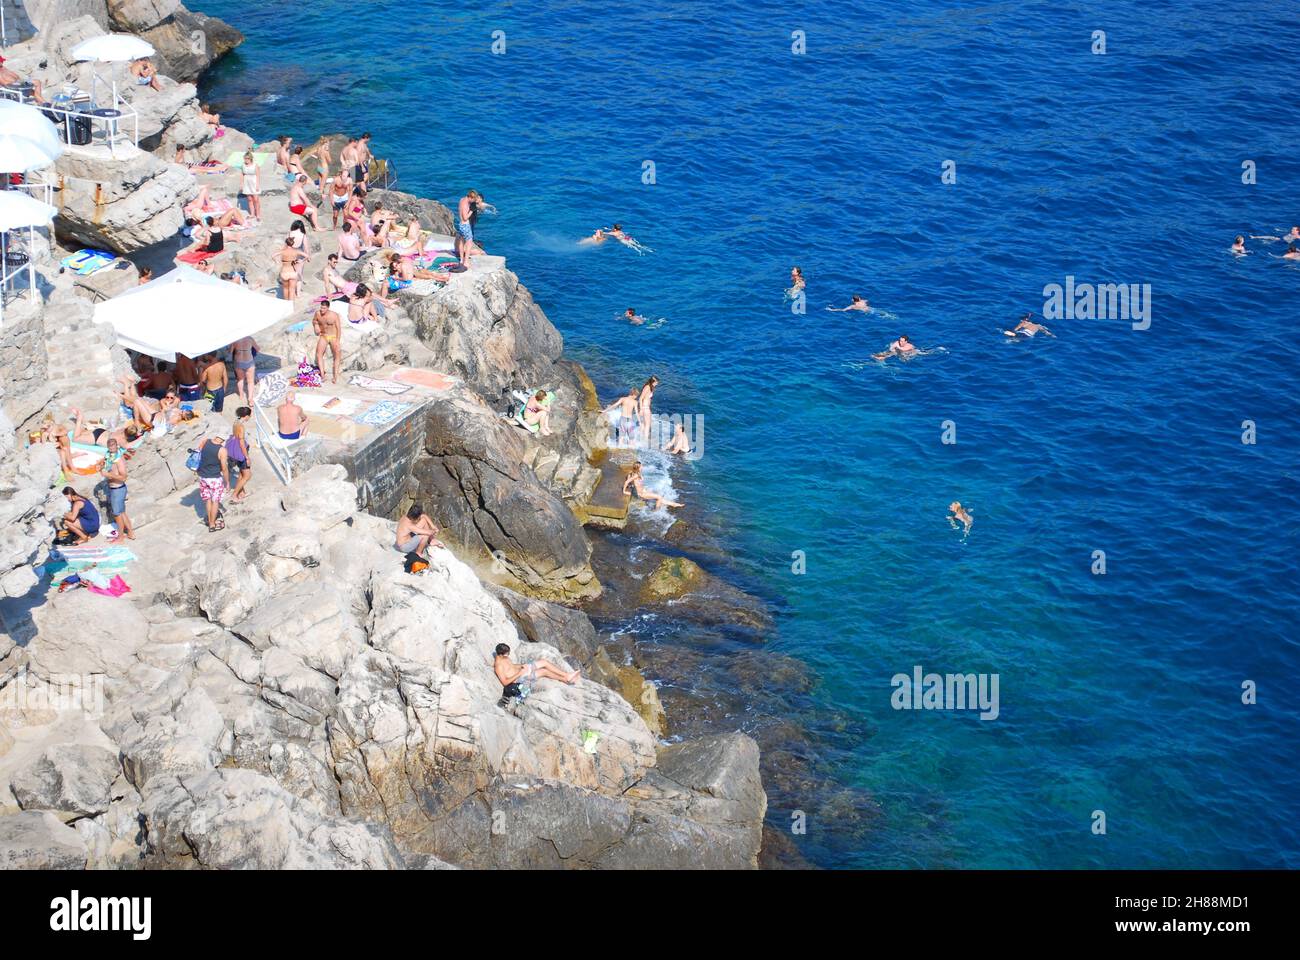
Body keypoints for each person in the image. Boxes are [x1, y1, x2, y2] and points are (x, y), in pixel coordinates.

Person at [493, 642, 580, 691]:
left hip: (522, 671)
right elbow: (504, 682)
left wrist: (521, 666)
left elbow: (511, 666)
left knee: (544, 662)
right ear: (500, 655)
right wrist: (520, 673)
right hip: (519, 679)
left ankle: (567, 675)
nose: (508, 655)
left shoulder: (505, 658)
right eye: (506, 654)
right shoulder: (498, 666)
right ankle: (565, 679)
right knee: (544, 671)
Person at [101, 438, 135, 540]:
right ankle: (130, 533)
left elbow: (124, 477)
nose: (111, 448)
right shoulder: (109, 457)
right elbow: (107, 467)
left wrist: (109, 474)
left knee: (117, 514)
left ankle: (120, 537)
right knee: (122, 512)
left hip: (118, 489)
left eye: (113, 445)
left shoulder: (118, 460)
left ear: (116, 446)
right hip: (114, 489)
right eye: (109, 446)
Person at [195, 433, 230, 532]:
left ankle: (210, 521)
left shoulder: (205, 441)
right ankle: (212, 524)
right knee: (215, 502)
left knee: (208, 500)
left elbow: (198, 455)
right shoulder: (222, 450)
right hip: (214, 478)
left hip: (203, 477)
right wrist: (227, 482)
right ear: (223, 439)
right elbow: (224, 468)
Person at [226, 407, 253, 502]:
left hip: (234, 451)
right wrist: (247, 457)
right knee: (247, 475)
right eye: (249, 415)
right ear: (246, 416)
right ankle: (234, 495)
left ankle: (242, 493)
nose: (250, 417)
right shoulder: (241, 426)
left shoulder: (236, 422)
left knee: (241, 473)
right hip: (240, 452)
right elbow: (241, 443)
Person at [312, 301, 343, 384]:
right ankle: (322, 375)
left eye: (324, 308)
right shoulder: (318, 313)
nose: (322, 309)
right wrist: (316, 326)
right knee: (319, 354)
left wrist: (337, 340)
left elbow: (339, 329)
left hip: (333, 336)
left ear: (328, 308)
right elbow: (314, 320)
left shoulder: (334, 315)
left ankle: (335, 376)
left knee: (337, 355)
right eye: (321, 307)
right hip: (324, 335)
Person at [456, 189, 484, 265]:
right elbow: (465, 217)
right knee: (469, 243)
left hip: (460, 225)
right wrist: (471, 211)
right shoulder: (465, 204)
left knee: (461, 242)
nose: (473, 201)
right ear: (471, 197)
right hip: (465, 225)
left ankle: (461, 260)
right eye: (473, 200)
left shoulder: (462, 200)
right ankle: (466, 262)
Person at [231, 336, 258, 405]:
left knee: (240, 380)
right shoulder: (250, 339)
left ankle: (241, 395)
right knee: (250, 382)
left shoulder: (235, 339)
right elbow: (257, 349)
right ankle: (250, 399)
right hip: (249, 361)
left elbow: (230, 351)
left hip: (239, 361)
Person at [240, 151, 262, 221]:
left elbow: (258, 175)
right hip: (247, 182)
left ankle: (258, 215)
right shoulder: (243, 165)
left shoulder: (255, 165)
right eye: (245, 158)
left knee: (256, 200)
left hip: (254, 182)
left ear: (250, 159)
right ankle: (252, 214)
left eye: (247, 158)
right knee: (249, 199)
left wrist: (257, 185)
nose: (246, 160)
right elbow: (242, 174)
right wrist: (242, 183)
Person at [638, 375, 659, 445]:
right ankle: (645, 441)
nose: (657, 384)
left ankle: (641, 438)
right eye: (656, 382)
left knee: (645, 424)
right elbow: (640, 398)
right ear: (653, 382)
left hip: (646, 408)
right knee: (647, 425)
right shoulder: (647, 387)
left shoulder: (650, 387)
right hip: (645, 408)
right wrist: (641, 409)